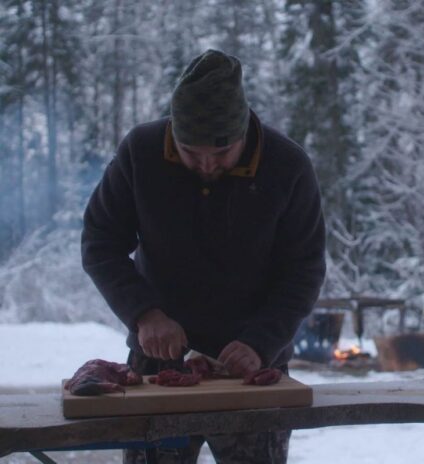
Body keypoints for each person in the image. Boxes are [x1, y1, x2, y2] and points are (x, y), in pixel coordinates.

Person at [81, 49, 326, 463]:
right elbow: (100, 240)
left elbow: (304, 269)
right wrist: (144, 314)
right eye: (191, 153)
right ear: (173, 131)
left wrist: (261, 341)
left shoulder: (288, 166)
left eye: (221, 153)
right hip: (158, 360)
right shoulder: (141, 152)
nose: (207, 165)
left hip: (253, 369)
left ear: (244, 132)